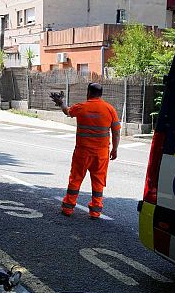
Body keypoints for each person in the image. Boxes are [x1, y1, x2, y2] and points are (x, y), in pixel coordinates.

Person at [50, 83, 121, 219]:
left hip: (82, 153)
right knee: (98, 181)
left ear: (88, 92)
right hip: (101, 154)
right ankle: (95, 211)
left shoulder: (81, 107)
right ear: (101, 94)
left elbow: (67, 111)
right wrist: (115, 149)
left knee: (76, 178)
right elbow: (116, 133)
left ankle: (68, 208)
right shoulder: (109, 109)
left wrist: (61, 102)